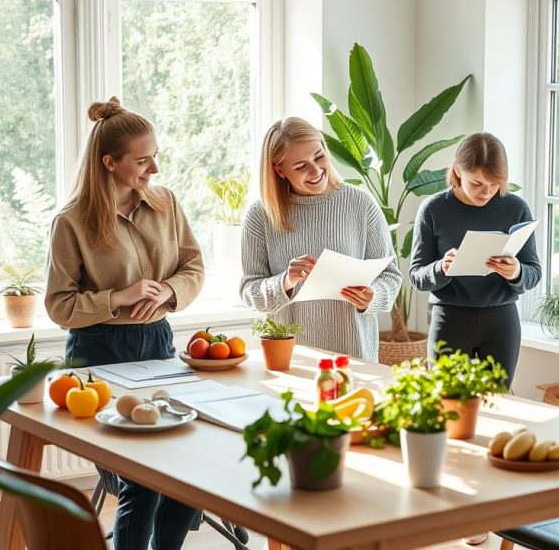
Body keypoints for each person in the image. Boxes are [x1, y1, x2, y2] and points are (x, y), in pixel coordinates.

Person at [45, 97, 203, 550]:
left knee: (188, 466)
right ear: (109, 162)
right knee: (142, 477)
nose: (153, 168)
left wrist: (168, 293)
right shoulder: (70, 222)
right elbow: (59, 306)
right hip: (97, 354)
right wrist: (119, 297)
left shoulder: (166, 203)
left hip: (157, 344)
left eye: (155, 155)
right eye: (142, 160)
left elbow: (193, 267)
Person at [240, 117, 402, 362]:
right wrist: (286, 280)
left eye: (319, 157)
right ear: (279, 169)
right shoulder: (261, 215)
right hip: (290, 359)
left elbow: (391, 276)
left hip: (353, 356)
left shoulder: (360, 204)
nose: (315, 171)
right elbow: (250, 292)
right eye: (300, 166)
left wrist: (373, 295)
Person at [409, 132, 542, 387]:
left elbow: (533, 273)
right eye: (477, 183)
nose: (487, 192)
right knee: (445, 402)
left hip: (501, 321)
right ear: (458, 171)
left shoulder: (515, 207)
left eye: (495, 183)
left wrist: (515, 272)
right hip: (449, 318)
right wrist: (442, 268)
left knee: (496, 403)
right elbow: (417, 276)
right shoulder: (434, 208)